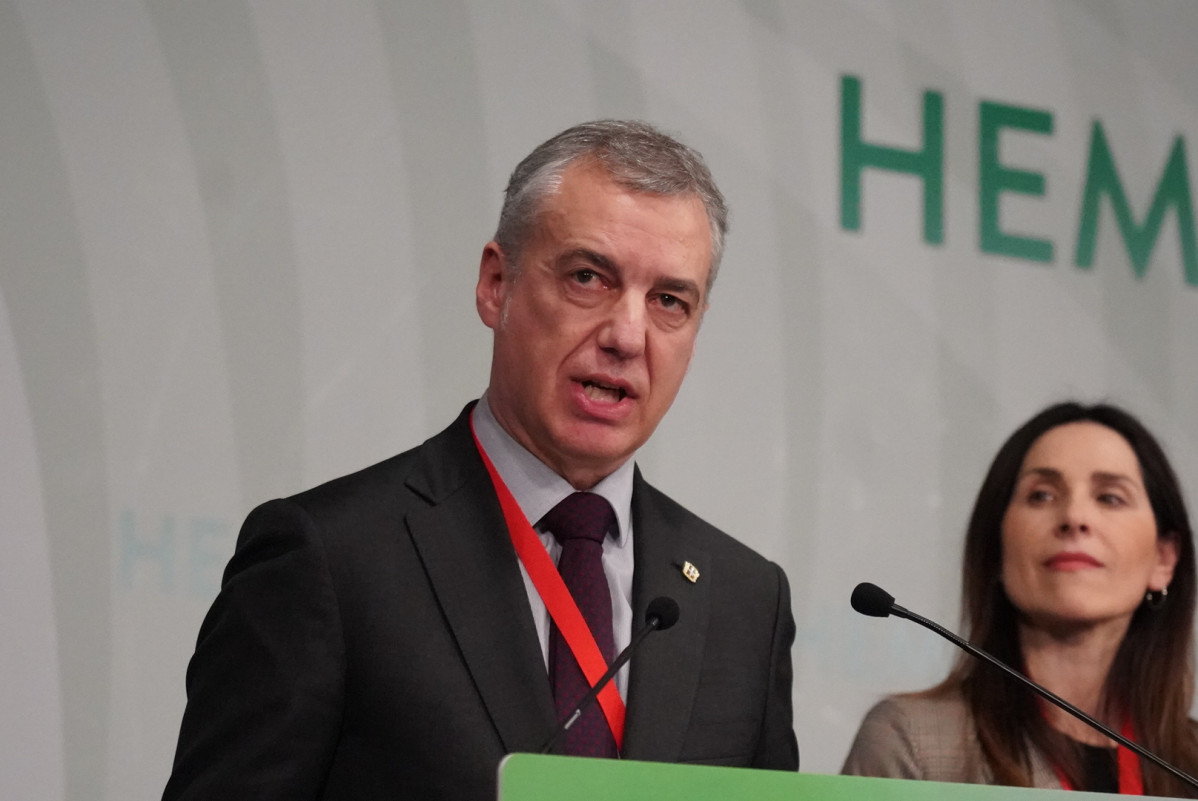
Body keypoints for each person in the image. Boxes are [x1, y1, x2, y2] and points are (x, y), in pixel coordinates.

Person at [162, 120, 798, 800]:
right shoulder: (329, 561)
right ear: (497, 284)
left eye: (670, 300)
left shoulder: (744, 602)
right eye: (589, 277)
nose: (627, 335)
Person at [842, 401, 1198, 797]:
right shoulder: (913, 743)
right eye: (1042, 495)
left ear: (1164, 560)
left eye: (1110, 497)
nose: (1074, 517)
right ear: (996, 548)